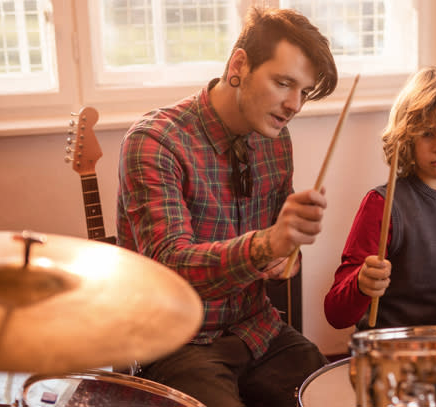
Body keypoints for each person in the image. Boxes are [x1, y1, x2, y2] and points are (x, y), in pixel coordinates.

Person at [116, 6, 338, 407]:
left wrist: (288, 255)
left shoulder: (275, 138)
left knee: (338, 397)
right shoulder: (155, 142)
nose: (294, 105)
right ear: (239, 64)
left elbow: (276, 247)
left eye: (303, 91)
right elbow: (170, 265)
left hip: (258, 329)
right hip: (178, 344)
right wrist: (267, 246)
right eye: (283, 83)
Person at [324, 65, 436, 331]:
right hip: (393, 356)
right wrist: (361, 283)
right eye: (428, 133)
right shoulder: (382, 205)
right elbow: (336, 314)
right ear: (408, 137)